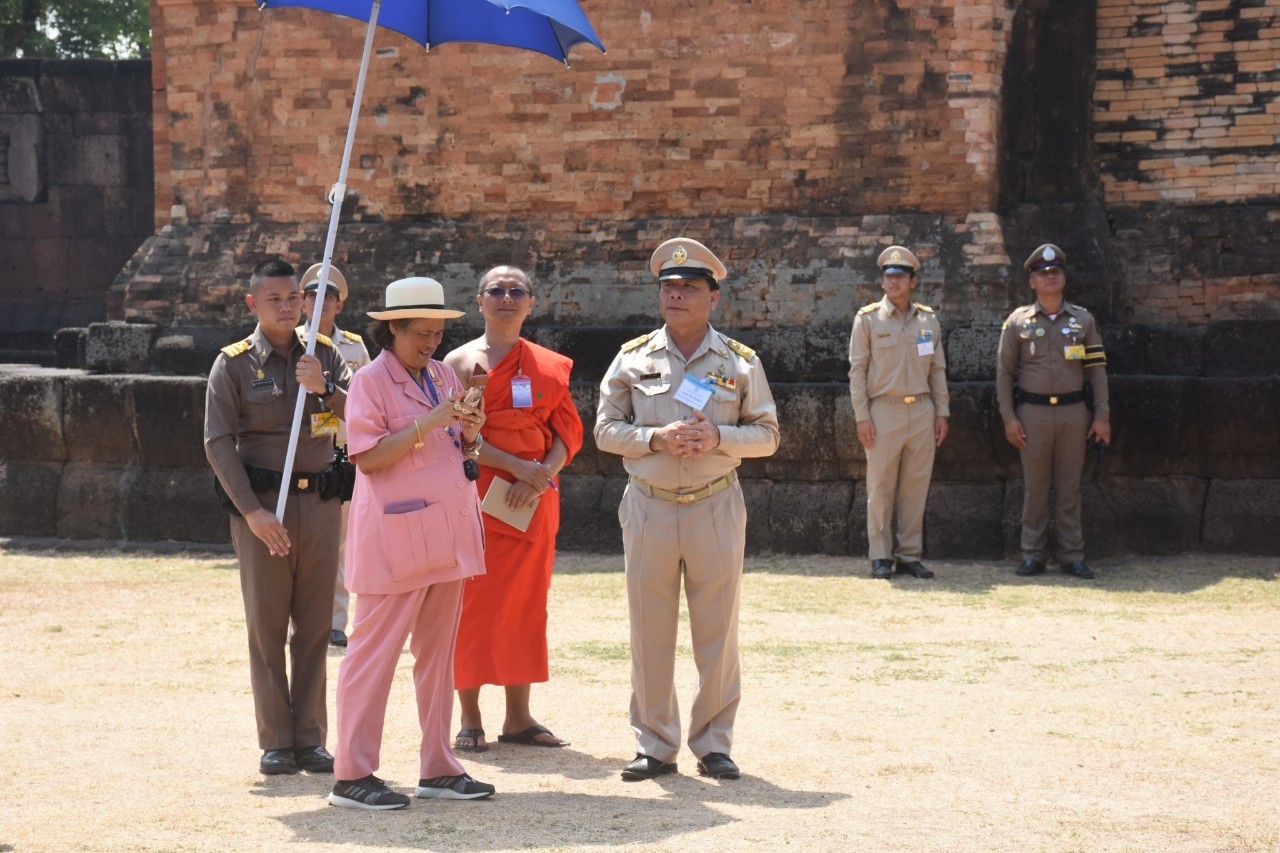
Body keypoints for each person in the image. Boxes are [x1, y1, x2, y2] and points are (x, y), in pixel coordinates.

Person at [595, 237, 780, 783]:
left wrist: (717, 435)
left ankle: (714, 742)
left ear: (713, 299)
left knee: (717, 631)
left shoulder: (740, 363)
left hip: (715, 503)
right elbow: (605, 430)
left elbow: (767, 435)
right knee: (649, 630)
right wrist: (655, 439)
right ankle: (655, 744)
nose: (676, 295)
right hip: (649, 506)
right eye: (669, 288)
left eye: (689, 288)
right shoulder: (632, 358)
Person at [326, 276, 496, 811]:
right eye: (420, 333)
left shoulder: (443, 374)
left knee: (438, 658)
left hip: (447, 536)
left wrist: (471, 428)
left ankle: (438, 766)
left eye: (436, 333)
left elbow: (460, 445)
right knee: (371, 658)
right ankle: (352, 774)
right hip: (394, 543)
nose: (430, 343)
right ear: (392, 329)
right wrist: (431, 421)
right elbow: (368, 459)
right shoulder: (369, 383)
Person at [204, 258, 352, 777]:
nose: (289, 307)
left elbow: (350, 421)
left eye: (295, 298)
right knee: (267, 627)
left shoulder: (325, 356)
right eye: (276, 299)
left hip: (320, 504)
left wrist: (324, 390)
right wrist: (252, 512)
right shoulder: (235, 364)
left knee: (314, 627)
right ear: (253, 304)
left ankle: (311, 738)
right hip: (263, 508)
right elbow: (217, 443)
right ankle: (275, 740)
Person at [444, 266, 584, 751]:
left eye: (516, 292)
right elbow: (455, 437)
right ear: (479, 301)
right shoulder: (459, 364)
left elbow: (568, 431)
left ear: (531, 303)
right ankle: (469, 717)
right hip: (476, 496)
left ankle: (519, 718)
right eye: (497, 291)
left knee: (526, 604)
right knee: (470, 604)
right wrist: (513, 468)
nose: (507, 298)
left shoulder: (548, 365)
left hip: (533, 501)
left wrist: (541, 473)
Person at [996, 243, 1111, 579]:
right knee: (1035, 487)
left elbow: (1097, 370)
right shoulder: (1018, 322)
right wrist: (1009, 417)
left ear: (1064, 278)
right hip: (1032, 414)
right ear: (1032, 281)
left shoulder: (1083, 320)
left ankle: (1072, 555)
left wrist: (1102, 416)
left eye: (1055, 272)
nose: (1050, 277)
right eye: (1042, 273)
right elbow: (1004, 372)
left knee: (1069, 486)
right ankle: (1033, 554)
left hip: (1075, 412)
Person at [847, 245, 950, 580]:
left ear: (913, 280)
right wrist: (862, 416)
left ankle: (909, 555)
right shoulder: (868, 319)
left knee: (915, 487)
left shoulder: (927, 319)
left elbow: (937, 369)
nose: (894, 282)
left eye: (900, 276)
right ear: (882, 281)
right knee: (880, 487)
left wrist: (941, 412)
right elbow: (857, 371)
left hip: (921, 409)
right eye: (888, 277)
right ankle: (880, 555)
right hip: (883, 410)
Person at [297, 262, 372, 648]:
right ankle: (299, 619)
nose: (320, 302)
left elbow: (367, 397)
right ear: (302, 301)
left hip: (338, 450)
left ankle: (335, 621)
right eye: (313, 295)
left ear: (339, 305)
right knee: (297, 539)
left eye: (328, 296)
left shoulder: (353, 346)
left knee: (340, 542)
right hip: (297, 451)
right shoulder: (287, 341)